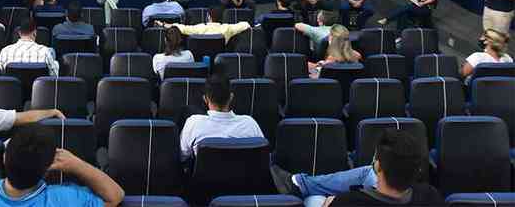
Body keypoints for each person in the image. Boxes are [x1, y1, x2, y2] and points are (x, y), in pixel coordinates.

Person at [271, 129, 442, 207]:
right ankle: (300, 182)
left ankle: (300, 183)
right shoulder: (430, 196)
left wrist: (329, 203)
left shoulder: (349, 201)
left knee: (314, 198)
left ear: (379, 166)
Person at [180, 74, 264, 161]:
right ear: (231, 97)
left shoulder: (194, 123)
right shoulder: (250, 124)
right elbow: (263, 157)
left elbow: (183, 155)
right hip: (244, 174)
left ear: (205, 99)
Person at [158, 6, 251, 44]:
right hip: (220, 58)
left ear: (209, 18)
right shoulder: (227, 28)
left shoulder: (199, 28)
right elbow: (245, 24)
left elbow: (181, 27)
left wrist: (164, 24)